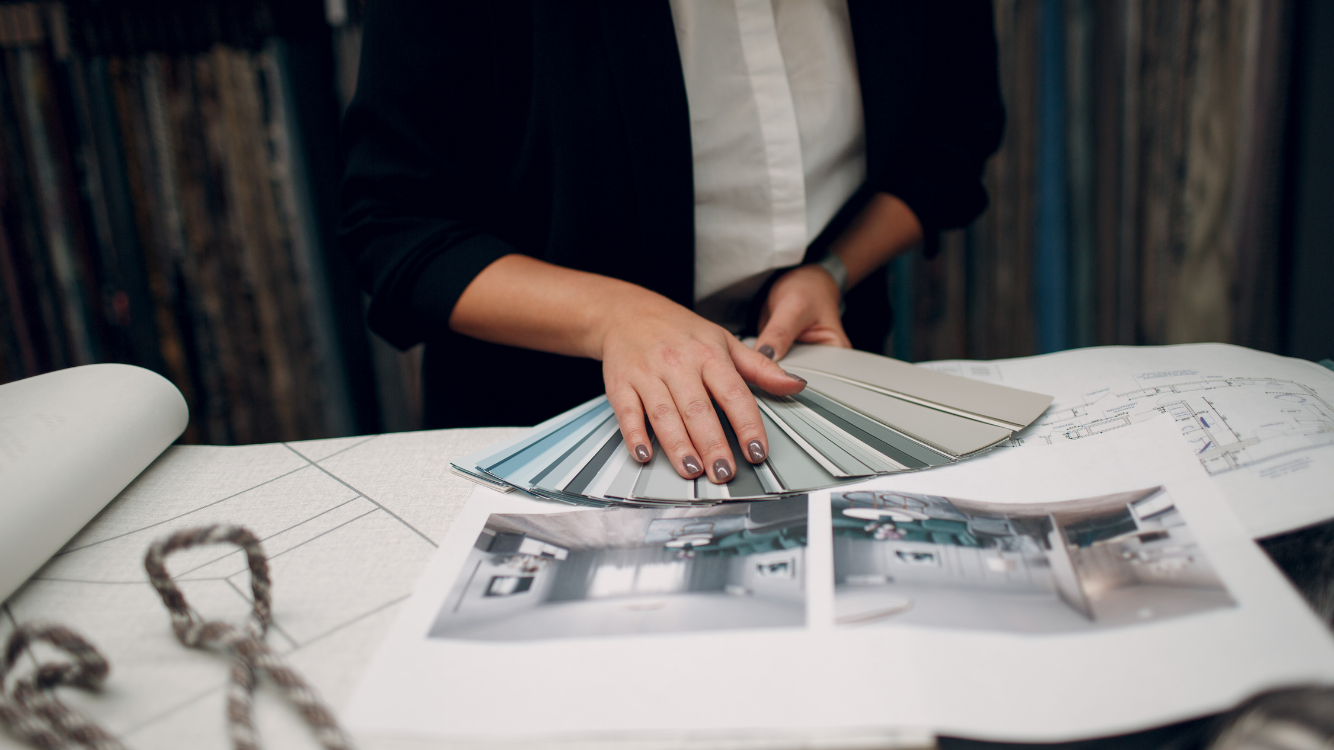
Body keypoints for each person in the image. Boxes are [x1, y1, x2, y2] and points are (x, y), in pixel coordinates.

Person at [340, 1, 1004, 485]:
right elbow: (394, 224)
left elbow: (953, 133)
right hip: (549, 423)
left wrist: (830, 270)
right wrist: (615, 318)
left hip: (815, 381)